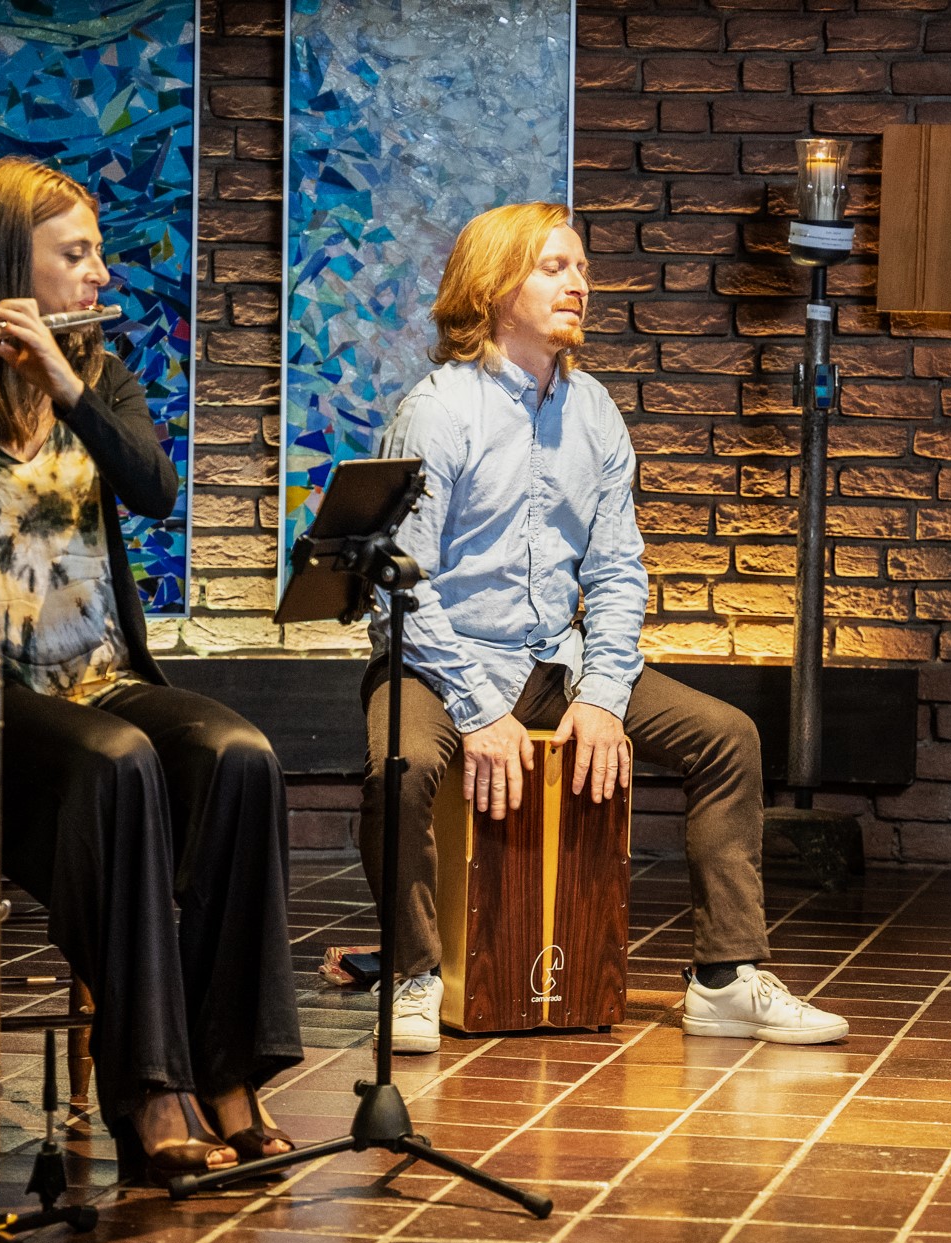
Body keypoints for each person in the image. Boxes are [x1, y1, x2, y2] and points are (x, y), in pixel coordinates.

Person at [0, 158, 302, 1180]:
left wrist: (69, 388)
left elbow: (156, 490)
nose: (103, 275)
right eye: (77, 254)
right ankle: (150, 1093)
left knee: (239, 756)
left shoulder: (100, 377)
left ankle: (227, 1074)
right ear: (8, 261)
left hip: (95, 680)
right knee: (116, 765)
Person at [358, 201, 848, 1053]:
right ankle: (412, 973)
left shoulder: (594, 413)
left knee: (727, 737)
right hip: (436, 662)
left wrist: (604, 697)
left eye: (582, 268)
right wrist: (478, 712)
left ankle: (727, 979)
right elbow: (399, 587)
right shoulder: (438, 409)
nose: (579, 284)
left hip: (553, 661)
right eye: (554, 267)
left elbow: (619, 571)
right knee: (398, 764)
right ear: (494, 284)